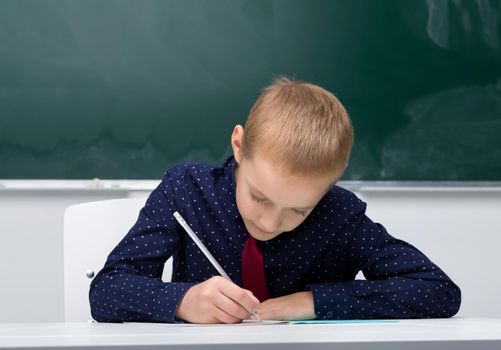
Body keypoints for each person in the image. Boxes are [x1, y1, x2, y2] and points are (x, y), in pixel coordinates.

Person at [89, 77, 461, 323]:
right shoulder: (186, 190)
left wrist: (314, 303)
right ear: (238, 145)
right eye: (259, 197)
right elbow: (105, 291)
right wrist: (182, 301)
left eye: (298, 210)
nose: (268, 223)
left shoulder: (340, 215)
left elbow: (438, 290)